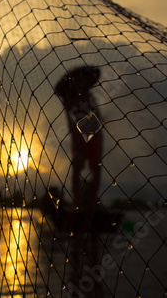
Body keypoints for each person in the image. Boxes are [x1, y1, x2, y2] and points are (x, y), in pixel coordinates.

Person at [55, 66, 103, 232]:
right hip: (79, 135)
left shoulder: (90, 96)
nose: (84, 83)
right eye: (80, 80)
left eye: (86, 80)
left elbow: (98, 116)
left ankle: (91, 206)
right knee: (77, 166)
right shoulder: (70, 97)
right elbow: (69, 119)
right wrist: (75, 137)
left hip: (95, 136)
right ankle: (77, 203)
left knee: (96, 168)